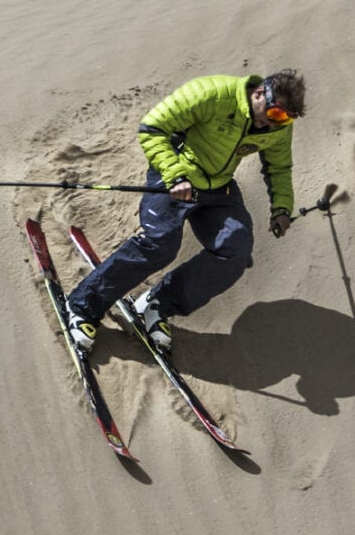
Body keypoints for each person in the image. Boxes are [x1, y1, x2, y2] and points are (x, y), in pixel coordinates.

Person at [65, 70, 307, 354]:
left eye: (286, 119)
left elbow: (278, 167)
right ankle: (82, 306)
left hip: (218, 187)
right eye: (276, 114)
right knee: (161, 244)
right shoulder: (212, 94)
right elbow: (153, 127)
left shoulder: (278, 127)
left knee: (236, 249)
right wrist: (175, 176)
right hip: (176, 174)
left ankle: (157, 304)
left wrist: (281, 208)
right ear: (258, 94)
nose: (275, 124)